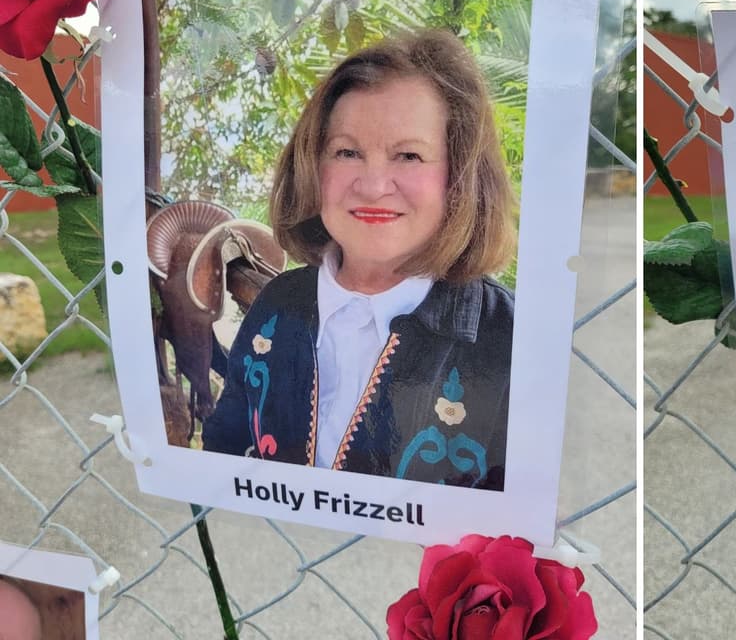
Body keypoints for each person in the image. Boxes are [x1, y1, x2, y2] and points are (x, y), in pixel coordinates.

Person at [202, 29, 516, 490]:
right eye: (347, 152)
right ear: (314, 166)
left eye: (409, 155)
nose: (372, 186)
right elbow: (224, 448)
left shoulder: (509, 338)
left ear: (460, 174)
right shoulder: (276, 305)